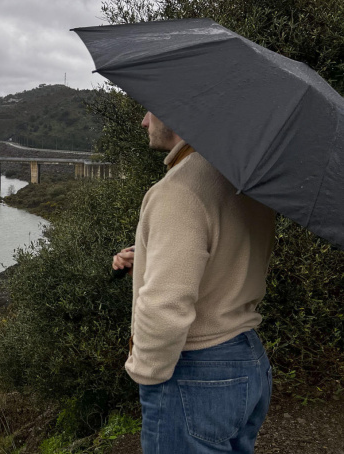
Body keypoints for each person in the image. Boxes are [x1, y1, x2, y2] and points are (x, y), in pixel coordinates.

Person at [112, 111, 276, 453]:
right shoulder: (243, 178)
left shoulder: (179, 190)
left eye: (150, 110)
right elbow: (224, 255)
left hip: (196, 368)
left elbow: (165, 306)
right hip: (248, 358)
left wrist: (147, 373)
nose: (144, 122)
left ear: (178, 109)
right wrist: (144, 260)